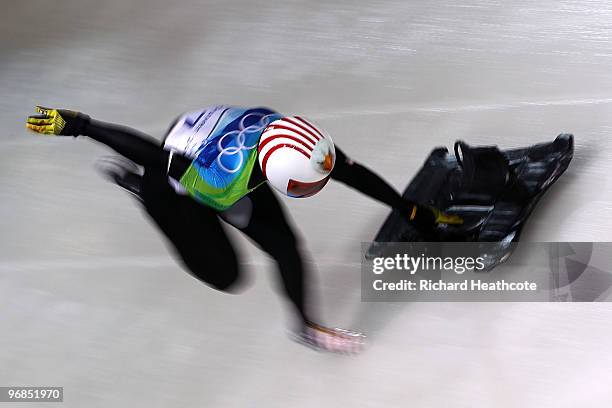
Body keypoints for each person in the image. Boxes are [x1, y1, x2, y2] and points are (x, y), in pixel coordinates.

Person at [26, 105, 461, 353]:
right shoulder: (221, 176)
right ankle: (138, 190)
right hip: (176, 186)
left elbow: (350, 172)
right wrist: (79, 126)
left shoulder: (293, 137)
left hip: (223, 159)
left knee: (288, 249)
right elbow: (151, 152)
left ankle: (306, 328)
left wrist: (409, 209)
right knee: (228, 277)